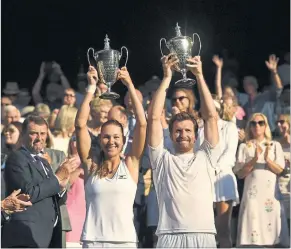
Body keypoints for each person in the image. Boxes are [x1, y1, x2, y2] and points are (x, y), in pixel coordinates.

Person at [147, 54, 220, 248]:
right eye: (178, 131)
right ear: (170, 135)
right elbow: (153, 118)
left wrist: (199, 76)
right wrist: (167, 78)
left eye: (188, 130)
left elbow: (211, 117)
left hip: (203, 235)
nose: (183, 135)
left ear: (196, 136)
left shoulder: (207, 157)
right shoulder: (162, 159)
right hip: (169, 236)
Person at [75, 66, 147, 248]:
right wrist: (91, 88)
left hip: (124, 242)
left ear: (123, 141)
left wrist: (130, 85)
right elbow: (80, 125)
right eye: (106, 137)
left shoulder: (131, 163)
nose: (111, 142)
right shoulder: (90, 165)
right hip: (93, 241)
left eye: (116, 137)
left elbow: (142, 124)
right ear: (100, 139)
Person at [2, 115, 78, 248]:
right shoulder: (16, 158)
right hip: (26, 234)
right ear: (23, 135)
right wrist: (57, 178)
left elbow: (53, 193)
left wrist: (61, 187)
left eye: (43, 133)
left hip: (49, 234)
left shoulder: (43, 160)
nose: (39, 138)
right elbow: (27, 194)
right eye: (33, 133)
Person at [234, 113, 290, 247]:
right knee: (251, 238)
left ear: (266, 126)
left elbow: (280, 170)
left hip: (270, 195)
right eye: (253, 123)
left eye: (260, 123)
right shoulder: (244, 146)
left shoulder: (274, 145)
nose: (257, 126)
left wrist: (267, 160)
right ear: (249, 126)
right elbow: (240, 174)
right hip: (252, 195)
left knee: (273, 237)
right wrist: (254, 159)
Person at [195, 96, 239, 248]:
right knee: (203, 231)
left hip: (222, 179)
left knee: (223, 231)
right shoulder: (199, 130)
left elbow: (229, 153)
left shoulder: (229, 127)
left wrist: (213, 169)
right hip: (203, 180)